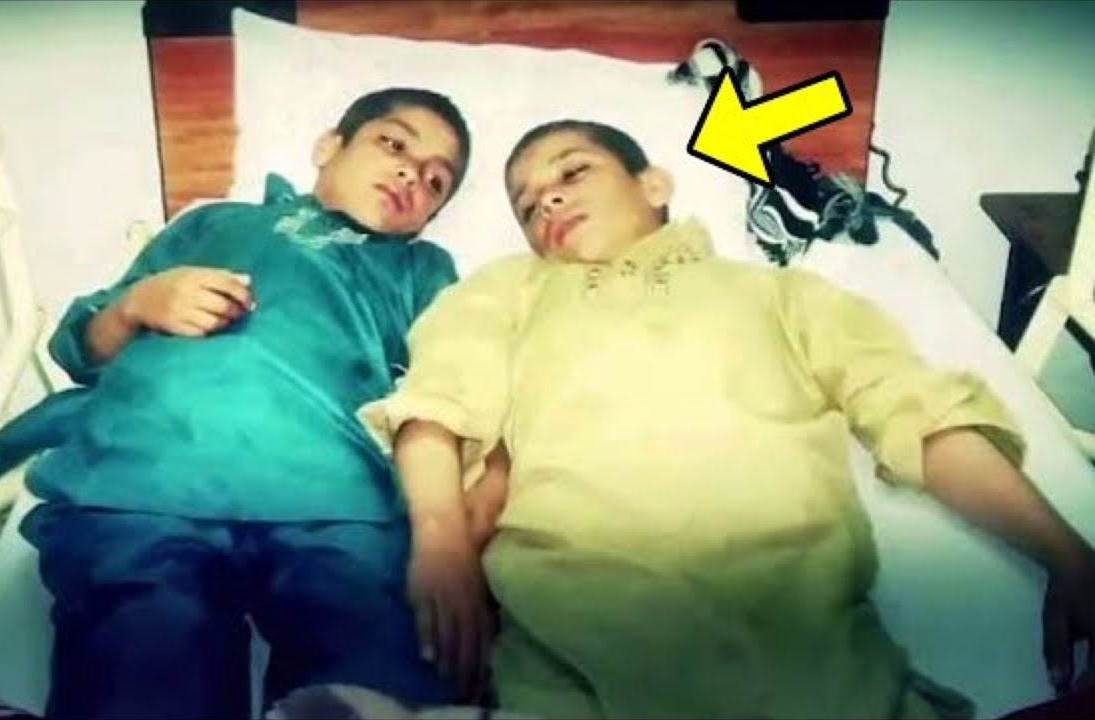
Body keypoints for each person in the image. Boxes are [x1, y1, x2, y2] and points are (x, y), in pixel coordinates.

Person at [360, 120, 1095, 719]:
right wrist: (441, 542)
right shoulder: (508, 292)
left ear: (654, 185)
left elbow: (918, 414)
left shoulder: (783, 295)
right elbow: (438, 402)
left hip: (811, 660)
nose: (546, 201)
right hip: (579, 654)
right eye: (526, 207)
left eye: (572, 172)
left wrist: (1067, 557)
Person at [0, 88, 475, 720]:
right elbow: (81, 349)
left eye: (436, 181)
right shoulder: (215, 223)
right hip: (151, 475)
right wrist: (139, 304)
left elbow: (441, 391)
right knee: (142, 651)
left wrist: (442, 537)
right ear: (328, 146)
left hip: (338, 497)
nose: (413, 173)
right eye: (394, 144)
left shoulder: (422, 269)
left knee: (377, 666)